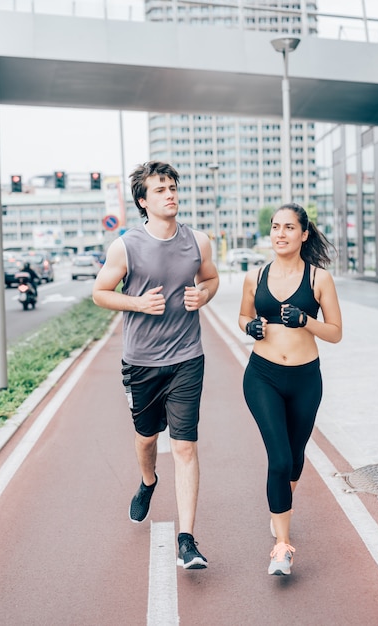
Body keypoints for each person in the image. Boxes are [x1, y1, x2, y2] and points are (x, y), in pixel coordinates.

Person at [92, 161, 219, 570]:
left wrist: (205, 295)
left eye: (173, 187)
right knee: (147, 439)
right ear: (143, 201)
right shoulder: (125, 246)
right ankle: (148, 482)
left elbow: (211, 279)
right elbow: (100, 293)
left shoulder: (198, 241)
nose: (170, 194)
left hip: (187, 358)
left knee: (184, 446)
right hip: (142, 362)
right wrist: (137, 303)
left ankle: (188, 540)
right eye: (161, 189)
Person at [239, 203, 342, 576]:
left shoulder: (319, 280)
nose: (280, 234)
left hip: (305, 380)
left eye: (288, 228)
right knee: (280, 460)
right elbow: (243, 315)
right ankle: (282, 547)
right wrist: (250, 327)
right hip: (262, 376)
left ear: (303, 234)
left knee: (296, 458)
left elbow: (335, 333)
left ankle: (281, 504)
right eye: (275, 227)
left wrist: (306, 320)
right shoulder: (255, 276)